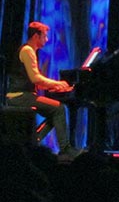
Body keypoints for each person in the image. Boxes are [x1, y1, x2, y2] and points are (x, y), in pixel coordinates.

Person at [5, 21, 81, 158]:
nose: (46, 39)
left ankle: (33, 141)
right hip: (19, 96)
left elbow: (36, 81)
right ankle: (65, 150)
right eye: (44, 36)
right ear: (36, 36)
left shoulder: (31, 51)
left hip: (23, 95)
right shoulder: (28, 50)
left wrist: (56, 86)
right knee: (59, 109)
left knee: (56, 111)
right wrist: (56, 83)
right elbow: (36, 79)